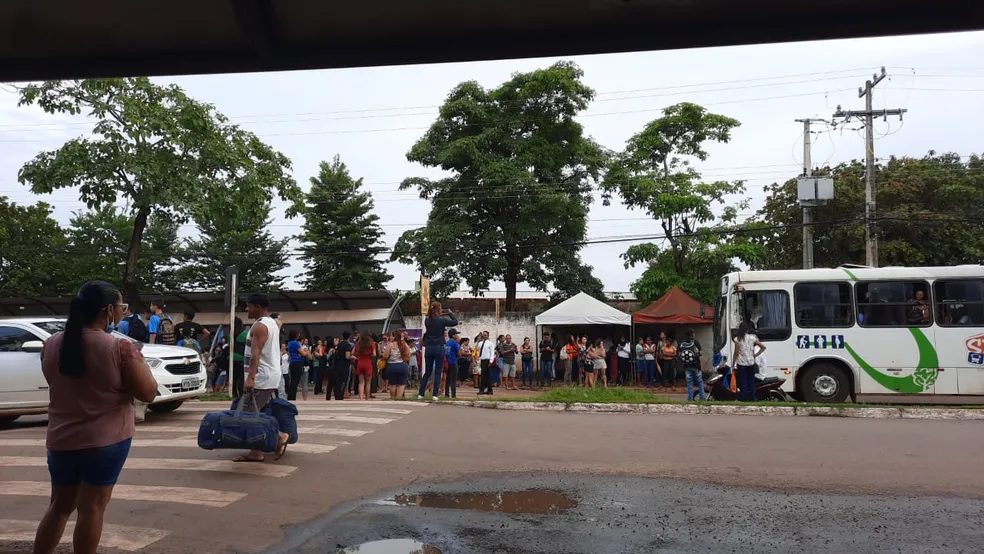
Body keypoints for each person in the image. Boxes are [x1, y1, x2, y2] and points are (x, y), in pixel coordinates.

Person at [32, 282, 158, 554]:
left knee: (59, 506)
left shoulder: (52, 344)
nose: (123, 313)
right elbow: (148, 393)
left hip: (61, 440)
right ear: (108, 310)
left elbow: (58, 385)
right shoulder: (120, 348)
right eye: (122, 308)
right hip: (105, 442)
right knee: (92, 508)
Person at [234, 293, 289, 462]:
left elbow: (255, 354)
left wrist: (251, 377)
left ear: (258, 307)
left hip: (261, 377)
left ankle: (280, 436)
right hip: (269, 374)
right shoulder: (271, 323)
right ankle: (256, 451)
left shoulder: (259, 327)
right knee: (254, 413)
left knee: (248, 414)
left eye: (249, 306)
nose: (246, 309)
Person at [418, 302, 459, 400]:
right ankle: (435, 394)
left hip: (429, 347)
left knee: (427, 372)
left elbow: (432, 319)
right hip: (439, 347)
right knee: (437, 372)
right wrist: (450, 313)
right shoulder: (441, 320)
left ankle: (421, 393)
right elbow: (455, 322)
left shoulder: (427, 320)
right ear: (439, 309)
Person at [732, 321, 766, 402]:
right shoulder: (752, 338)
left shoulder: (737, 339)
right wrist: (755, 355)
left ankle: (744, 398)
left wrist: (733, 364)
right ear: (747, 330)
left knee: (744, 382)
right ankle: (753, 398)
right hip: (751, 363)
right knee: (751, 381)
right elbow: (763, 347)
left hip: (742, 364)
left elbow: (736, 353)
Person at [679, 328, 705, 401]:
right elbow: (701, 353)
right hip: (696, 365)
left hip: (687, 366)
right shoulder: (695, 342)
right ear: (692, 335)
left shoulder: (682, 343)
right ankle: (702, 398)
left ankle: (690, 398)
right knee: (699, 382)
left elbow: (679, 354)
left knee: (689, 383)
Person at [383, 331, 411, 399]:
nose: (390, 337)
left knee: (392, 384)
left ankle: (393, 398)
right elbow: (408, 355)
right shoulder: (404, 344)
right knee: (401, 384)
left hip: (392, 366)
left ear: (394, 337)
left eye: (391, 336)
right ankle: (399, 398)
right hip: (402, 366)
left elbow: (385, 356)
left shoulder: (390, 345)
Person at [328, 333, 353, 401]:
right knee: (344, 381)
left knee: (338, 381)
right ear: (349, 337)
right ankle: (340, 395)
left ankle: (337, 395)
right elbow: (347, 356)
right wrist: (353, 357)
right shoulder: (348, 345)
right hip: (344, 365)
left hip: (337, 364)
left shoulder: (339, 344)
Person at [285, 331, 309, 401]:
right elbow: (304, 353)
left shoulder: (289, 343)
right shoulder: (295, 343)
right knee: (295, 381)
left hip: (292, 362)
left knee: (293, 381)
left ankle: (291, 396)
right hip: (297, 363)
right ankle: (292, 397)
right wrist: (304, 351)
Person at [353, 330, 376, 400]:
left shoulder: (357, 344)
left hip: (360, 363)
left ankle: (360, 398)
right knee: (368, 382)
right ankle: (367, 398)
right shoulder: (371, 344)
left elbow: (353, 352)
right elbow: (374, 354)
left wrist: (358, 355)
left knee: (361, 382)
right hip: (368, 363)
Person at [476, 330, 496, 395]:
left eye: (485, 335)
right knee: (483, 375)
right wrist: (478, 341)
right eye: (483, 335)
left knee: (488, 375)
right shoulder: (480, 343)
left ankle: (488, 389)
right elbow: (476, 349)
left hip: (487, 360)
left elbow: (492, 353)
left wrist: (491, 361)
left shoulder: (490, 344)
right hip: (482, 360)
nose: (484, 336)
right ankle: (484, 389)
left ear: (488, 336)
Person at [444, 329, 461, 398]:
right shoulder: (455, 343)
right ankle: (453, 394)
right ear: (453, 335)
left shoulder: (447, 343)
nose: (457, 335)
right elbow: (459, 354)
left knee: (447, 379)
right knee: (453, 380)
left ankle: (446, 394)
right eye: (456, 334)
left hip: (448, 363)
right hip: (453, 362)